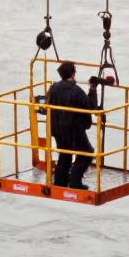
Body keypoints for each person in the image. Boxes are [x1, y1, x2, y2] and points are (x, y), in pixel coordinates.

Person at [46, 61, 99, 190]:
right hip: (73, 129)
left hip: (57, 129)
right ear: (73, 74)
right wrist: (92, 89)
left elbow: (46, 105)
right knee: (87, 153)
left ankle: (59, 182)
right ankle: (75, 182)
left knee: (65, 154)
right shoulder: (77, 91)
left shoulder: (53, 88)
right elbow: (90, 106)